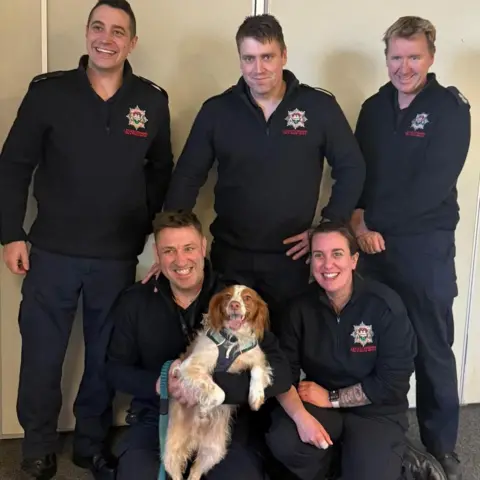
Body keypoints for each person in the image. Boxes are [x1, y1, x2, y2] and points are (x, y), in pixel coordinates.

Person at [0, 1, 173, 478]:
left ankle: (90, 442)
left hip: (117, 256)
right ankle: (36, 445)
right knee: (41, 354)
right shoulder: (49, 93)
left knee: (104, 356)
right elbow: (13, 165)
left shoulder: (151, 101)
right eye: (98, 27)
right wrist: (11, 234)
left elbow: (162, 171)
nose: (106, 38)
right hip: (51, 252)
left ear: (132, 42)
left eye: (118, 31)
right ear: (86, 33)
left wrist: (147, 232)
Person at [159, 13, 365, 320]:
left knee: (283, 353)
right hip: (231, 258)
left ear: (283, 55)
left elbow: (352, 168)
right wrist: (169, 244)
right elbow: (188, 176)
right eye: (249, 58)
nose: (258, 69)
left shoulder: (318, 107)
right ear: (240, 60)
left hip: (291, 260)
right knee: (228, 354)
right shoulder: (217, 110)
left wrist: (325, 228)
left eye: (267, 56)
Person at [350, 16, 470, 480]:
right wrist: (357, 221)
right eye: (396, 57)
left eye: (413, 56)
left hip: (424, 248)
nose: (404, 66)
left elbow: (432, 186)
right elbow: (357, 173)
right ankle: (382, 435)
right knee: (376, 346)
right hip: (373, 249)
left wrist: (369, 222)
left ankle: (443, 447)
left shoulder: (450, 108)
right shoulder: (373, 108)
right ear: (386, 58)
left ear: (431, 57)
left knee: (432, 348)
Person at [105, 210, 292, 480]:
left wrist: (219, 389)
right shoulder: (135, 301)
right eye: (169, 251)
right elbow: (114, 371)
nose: (180, 260)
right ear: (157, 255)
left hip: (224, 419)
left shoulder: (235, 297)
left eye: (189, 248)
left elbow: (281, 372)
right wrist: (161, 384)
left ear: (203, 247)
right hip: (159, 415)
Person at [265, 221, 417, 480]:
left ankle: (398, 457)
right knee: (284, 441)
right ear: (311, 261)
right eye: (318, 255)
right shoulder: (299, 308)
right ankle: (333, 467)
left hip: (375, 410)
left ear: (354, 260)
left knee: (371, 473)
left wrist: (332, 397)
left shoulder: (385, 305)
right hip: (318, 405)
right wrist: (301, 417)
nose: (327, 265)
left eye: (337, 254)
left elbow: (393, 383)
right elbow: (282, 374)